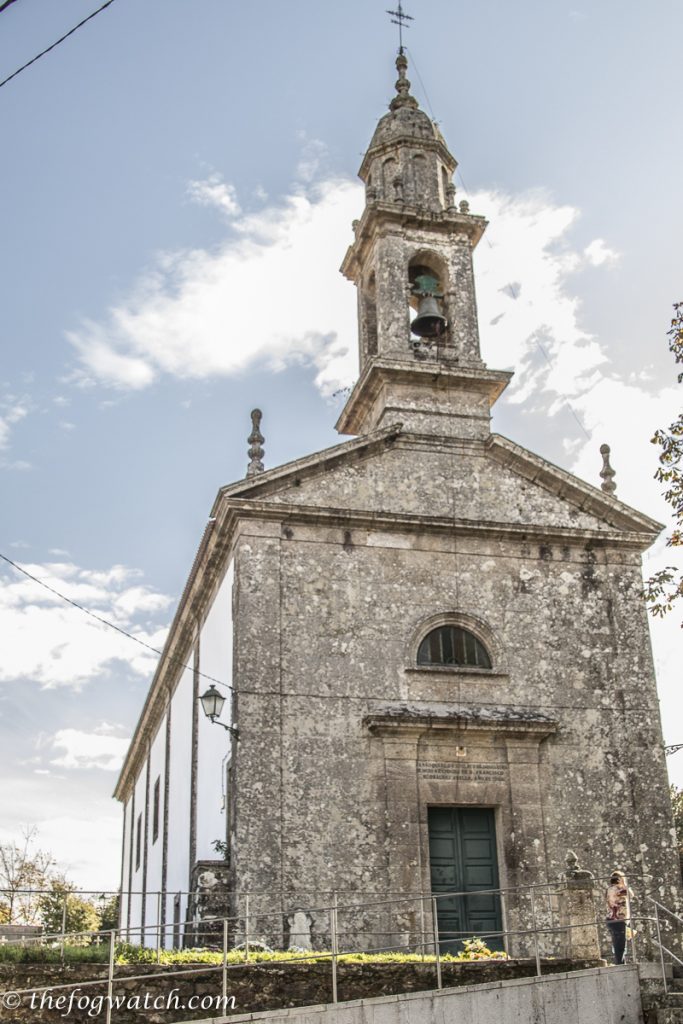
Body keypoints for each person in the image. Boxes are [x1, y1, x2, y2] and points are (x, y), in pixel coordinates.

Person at [605, 870, 630, 964]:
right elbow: (630, 894)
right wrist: (624, 883)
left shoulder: (608, 889)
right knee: (621, 945)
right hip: (618, 920)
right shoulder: (619, 889)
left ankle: (619, 963)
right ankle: (620, 964)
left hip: (610, 919)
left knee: (617, 943)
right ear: (619, 880)